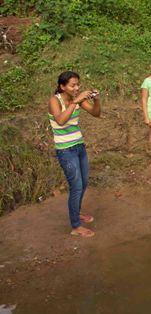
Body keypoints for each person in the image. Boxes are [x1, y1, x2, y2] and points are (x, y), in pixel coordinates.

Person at [48, 71, 101, 237]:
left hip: (79, 146)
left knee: (84, 182)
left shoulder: (76, 99)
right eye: (72, 85)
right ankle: (75, 226)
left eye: (77, 84)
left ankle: (76, 212)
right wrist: (75, 102)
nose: (76, 87)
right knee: (76, 186)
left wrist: (96, 100)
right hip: (65, 150)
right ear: (62, 87)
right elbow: (61, 120)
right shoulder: (54, 101)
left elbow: (96, 113)